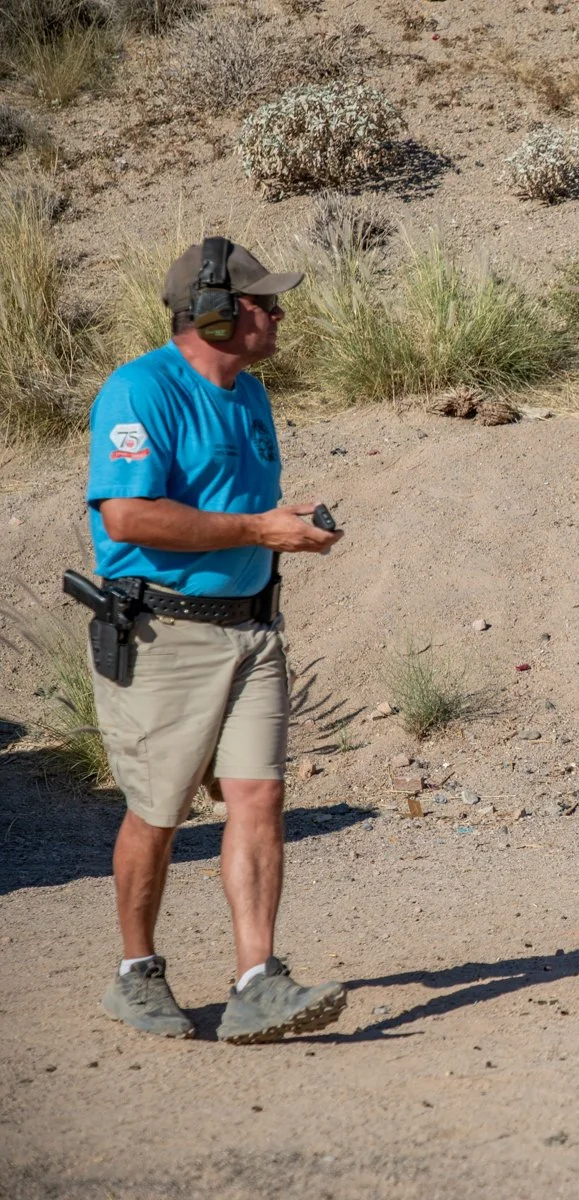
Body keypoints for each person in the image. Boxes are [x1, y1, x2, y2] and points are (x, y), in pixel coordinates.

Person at [85, 237, 346, 1043]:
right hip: (166, 633)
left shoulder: (252, 395)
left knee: (259, 796)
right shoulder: (139, 391)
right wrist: (257, 529)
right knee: (157, 813)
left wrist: (285, 528)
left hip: (253, 631)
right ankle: (136, 971)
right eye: (266, 303)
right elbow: (128, 515)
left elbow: (237, 508)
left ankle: (256, 981)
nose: (280, 315)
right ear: (216, 314)